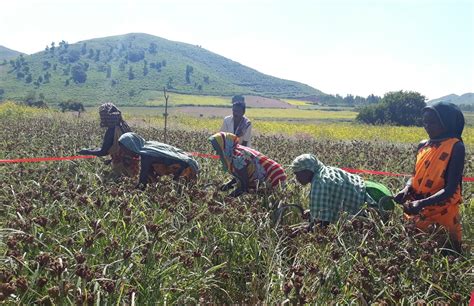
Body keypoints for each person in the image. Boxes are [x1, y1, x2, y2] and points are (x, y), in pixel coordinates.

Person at [394, 102, 465, 252]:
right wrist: (406, 189)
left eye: (432, 122)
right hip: (416, 209)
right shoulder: (422, 145)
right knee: (415, 253)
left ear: (446, 122)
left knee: (446, 254)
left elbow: (451, 188)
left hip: (442, 211)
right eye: (425, 122)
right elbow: (415, 176)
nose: (427, 126)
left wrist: (422, 203)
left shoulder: (456, 146)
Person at [291, 154, 392, 227]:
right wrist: (313, 212)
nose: (296, 178)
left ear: (308, 171)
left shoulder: (319, 183)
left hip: (375, 201)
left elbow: (322, 225)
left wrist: (305, 229)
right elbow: (334, 201)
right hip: (378, 190)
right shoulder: (325, 170)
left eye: (298, 174)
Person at [209, 132, 286, 197]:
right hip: (274, 172)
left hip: (273, 176)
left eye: (218, 149)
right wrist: (227, 186)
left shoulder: (237, 157)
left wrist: (228, 198)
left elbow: (244, 185)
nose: (216, 153)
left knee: (268, 203)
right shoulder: (235, 150)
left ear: (224, 146)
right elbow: (242, 175)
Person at [118, 132, 199, 188]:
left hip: (185, 169)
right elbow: (149, 173)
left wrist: (135, 192)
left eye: (126, 149)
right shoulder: (148, 145)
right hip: (184, 166)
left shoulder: (146, 155)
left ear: (132, 146)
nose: (125, 153)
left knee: (182, 193)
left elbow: (143, 179)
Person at [78, 103, 139, 177]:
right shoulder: (124, 126)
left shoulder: (111, 131)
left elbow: (103, 152)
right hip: (133, 166)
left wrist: (86, 151)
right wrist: (110, 160)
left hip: (123, 168)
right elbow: (122, 149)